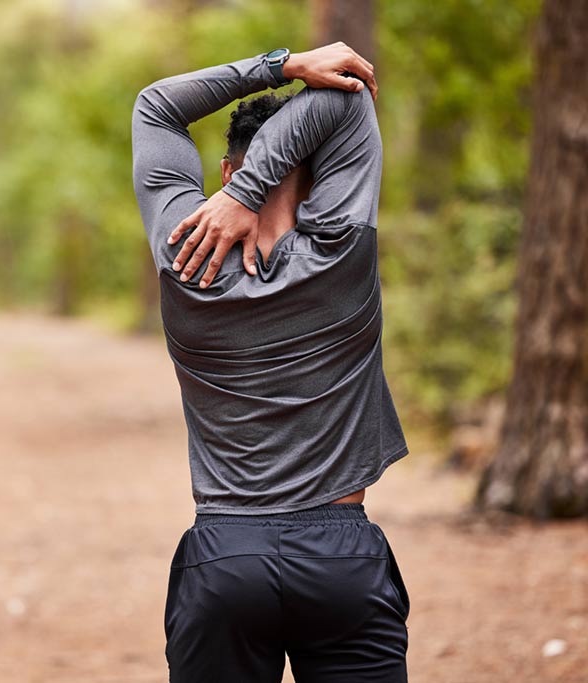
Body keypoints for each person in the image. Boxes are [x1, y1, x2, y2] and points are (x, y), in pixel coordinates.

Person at [132, 42, 410, 682]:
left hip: (227, 559)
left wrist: (279, 65)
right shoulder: (342, 249)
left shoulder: (183, 259)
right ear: (317, 178)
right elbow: (346, 99)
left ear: (223, 174)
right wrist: (261, 184)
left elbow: (156, 108)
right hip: (342, 556)